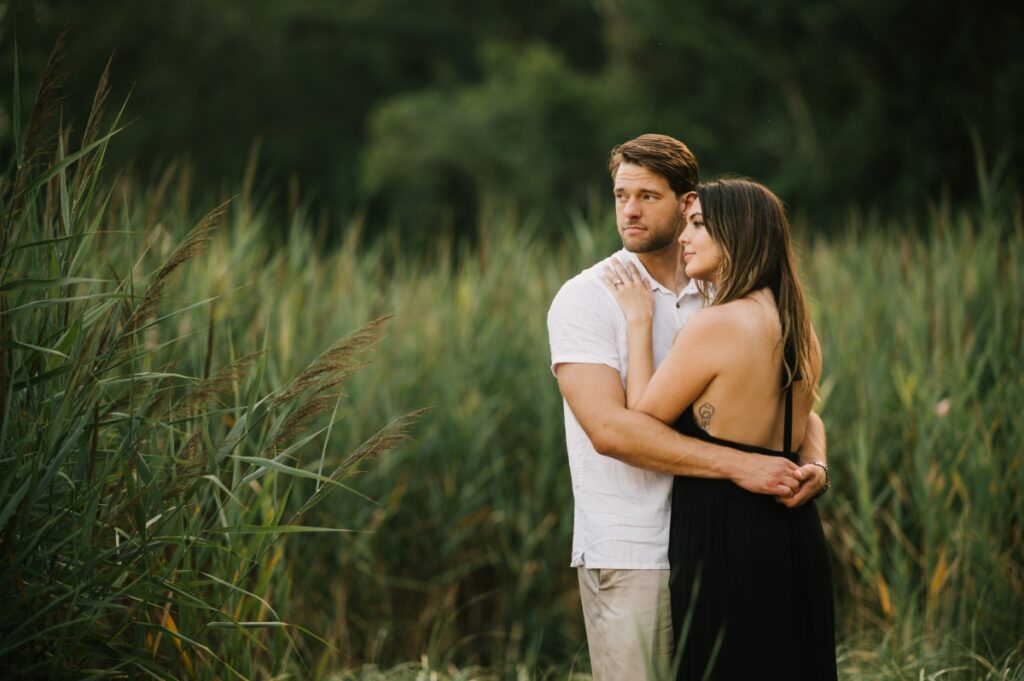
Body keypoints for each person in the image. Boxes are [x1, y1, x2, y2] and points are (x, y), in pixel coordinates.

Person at [547, 135, 830, 681]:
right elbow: (611, 432)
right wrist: (742, 464)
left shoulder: (719, 294)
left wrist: (815, 465)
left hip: (715, 546)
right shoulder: (589, 298)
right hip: (636, 550)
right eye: (620, 195)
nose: (629, 210)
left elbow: (798, 412)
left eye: (647, 196)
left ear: (687, 202)